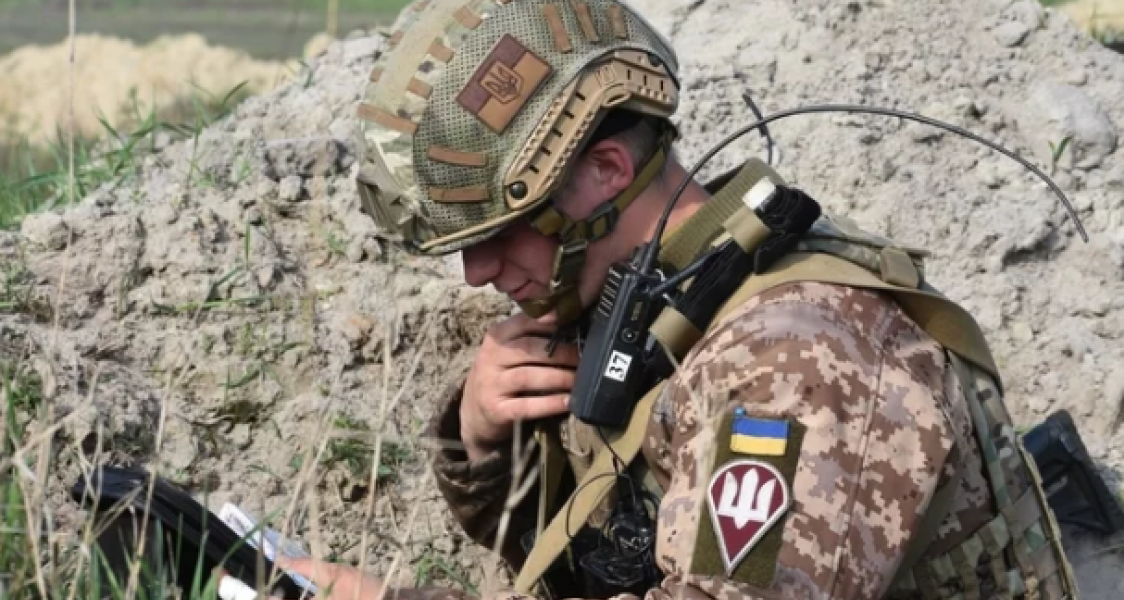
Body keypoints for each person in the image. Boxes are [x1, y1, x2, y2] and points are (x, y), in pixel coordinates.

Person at [281, 1, 1080, 599]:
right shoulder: (651, 308)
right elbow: (591, 557)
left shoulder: (796, 363)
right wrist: (488, 444)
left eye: (500, 233)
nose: (478, 272)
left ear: (606, 173)